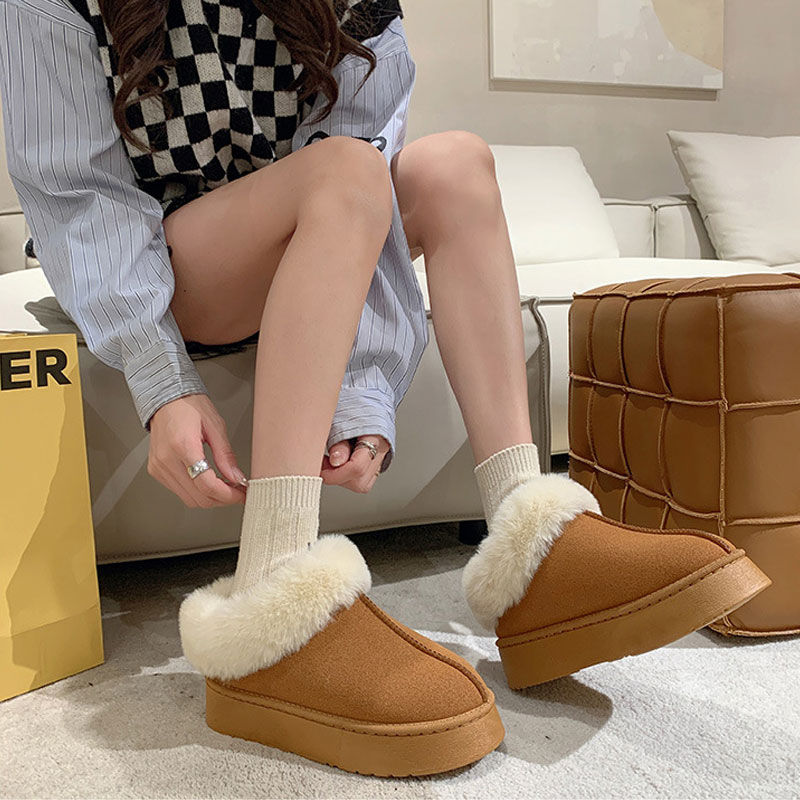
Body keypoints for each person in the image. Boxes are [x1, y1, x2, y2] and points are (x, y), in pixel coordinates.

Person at [0, 0, 770, 778]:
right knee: (342, 169)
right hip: (161, 266)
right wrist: (162, 378)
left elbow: (362, 173)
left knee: (455, 165)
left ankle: (533, 546)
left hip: (309, 230)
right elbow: (79, 197)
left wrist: (360, 385)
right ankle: (272, 598)